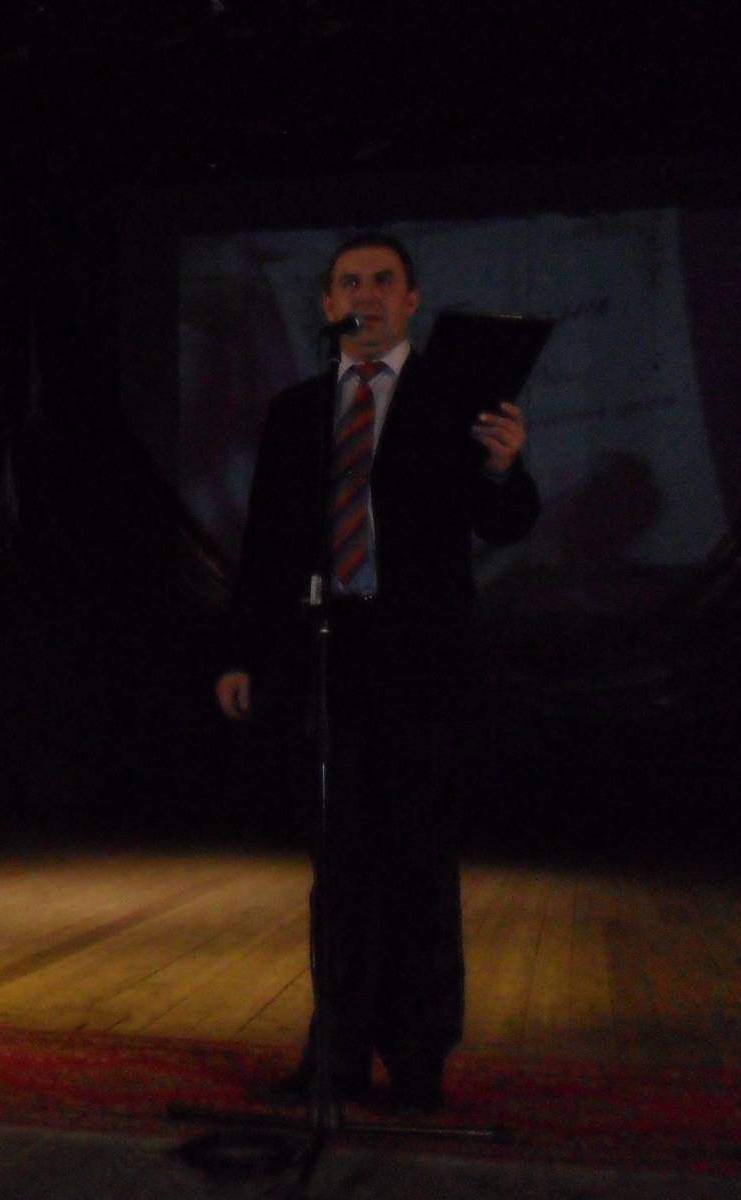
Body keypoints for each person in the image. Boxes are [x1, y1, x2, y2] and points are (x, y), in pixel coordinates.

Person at [215, 233, 539, 1111]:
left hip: (423, 668)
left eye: (382, 281)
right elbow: (267, 547)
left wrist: (505, 466)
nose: (365, 294)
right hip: (325, 664)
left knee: (420, 863)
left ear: (411, 301)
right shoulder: (297, 412)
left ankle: (420, 1057)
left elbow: (506, 522)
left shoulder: (453, 397)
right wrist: (242, 652)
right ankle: (337, 1053)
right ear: (327, 306)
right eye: (349, 282)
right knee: (340, 869)